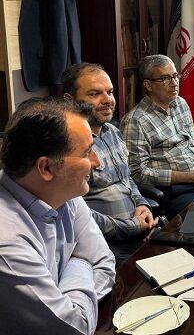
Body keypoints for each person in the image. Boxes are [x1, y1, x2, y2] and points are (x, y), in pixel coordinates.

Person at [0, 97, 115, 334]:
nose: (97, 161)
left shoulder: (63, 192)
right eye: (87, 153)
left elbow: (105, 263)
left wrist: (70, 296)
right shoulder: (7, 243)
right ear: (46, 168)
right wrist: (81, 261)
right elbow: (76, 326)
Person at [63, 62, 159, 265]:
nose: (107, 100)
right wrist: (132, 226)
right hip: (105, 245)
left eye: (110, 92)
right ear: (69, 100)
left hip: (138, 232)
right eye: (95, 94)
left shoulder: (112, 131)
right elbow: (74, 212)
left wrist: (142, 205)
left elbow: (127, 179)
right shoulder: (66, 145)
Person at [120, 54, 194, 218]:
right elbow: (137, 174)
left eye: (175, 76)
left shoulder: (180, 103)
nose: (174, 83)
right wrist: (191, 177)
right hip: (175, 191)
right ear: (148, 85)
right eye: (165, 78)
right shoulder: (136, 121)